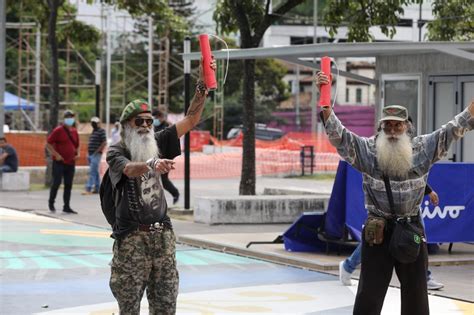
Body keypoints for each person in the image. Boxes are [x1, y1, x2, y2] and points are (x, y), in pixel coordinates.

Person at [316, 71, 474, 315]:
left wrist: (471, 110)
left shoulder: (422, 149)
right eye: (387, 125)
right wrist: (325, 101)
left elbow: (451, 130)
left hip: (411, 230)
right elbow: (341, 138)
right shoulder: (368, 151)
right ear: (380, 127)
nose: (392, 130)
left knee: (416, 294)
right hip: (377, 231)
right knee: (369, 292)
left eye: (397, 125)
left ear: (406, 127)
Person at [106, 57, 215, 314]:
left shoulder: (158, 140)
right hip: (132, 239)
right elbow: (129, 169)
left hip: (163, 237)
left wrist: (202, 85)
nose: (145, 126)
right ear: (126, 126)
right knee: (129, 305)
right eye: (138, 121)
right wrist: (152, 165)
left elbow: (190, 119)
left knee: (166, 304)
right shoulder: (116, 151)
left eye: (148, 121)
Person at [339, 185, 445, 290]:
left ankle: (423, 276)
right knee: (376, 238)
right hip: (387, 198)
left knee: (417, 237)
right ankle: (348, 266)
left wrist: (428, 190)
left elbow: (412, 172)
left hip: (408, 199)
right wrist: (429, 190)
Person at [46, 109, 80, 214]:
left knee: (68, 184)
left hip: (71, 162)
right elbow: (48, 144)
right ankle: (51, 203)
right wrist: (56, 155)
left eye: (71, 117)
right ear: (64, 118)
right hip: (59, 162)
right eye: (68, 117)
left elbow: (77, 145)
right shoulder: (58, 130)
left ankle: (67, 206)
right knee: (56, 183)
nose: (70, 119)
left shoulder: (74, 131)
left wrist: (78, 154)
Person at [152, 108, 180, 204]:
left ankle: (175, 193)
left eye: (156, 117)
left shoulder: (168, 126)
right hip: (154, 157)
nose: (155, 120)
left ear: (161, 117)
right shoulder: (153, 126)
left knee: (163, 180)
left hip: (165, 156)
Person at [82, 117, 106, 195]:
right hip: (91, 154)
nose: (94, 124)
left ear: (99, 123)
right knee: (95, 172)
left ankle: (88, 188)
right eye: (92, 123)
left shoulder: (101, 131)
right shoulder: (94, 131)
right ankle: (98, 188)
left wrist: (97, 151)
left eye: (95, 123)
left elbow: (104, 142)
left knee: (92, 172)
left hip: (96, 154)